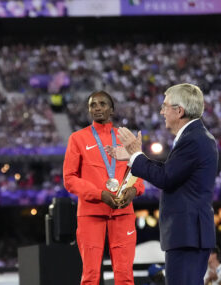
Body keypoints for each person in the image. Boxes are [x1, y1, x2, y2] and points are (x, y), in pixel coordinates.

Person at [107, 83, 218, 285]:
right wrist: (133, 157)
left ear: (179, 110)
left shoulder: (193, 139)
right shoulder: (195, 136)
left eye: (165, 106)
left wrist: (136, 153)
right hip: (189, 233)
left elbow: (165, 178)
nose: (161, 111)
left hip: (187, 234)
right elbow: (171, 173)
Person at [63, 91, 145, 284]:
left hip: (123, 211)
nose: (97, 108)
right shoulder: (78, 138)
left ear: (112, 110)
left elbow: (139, 171)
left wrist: (134, 190)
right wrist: (99, 194)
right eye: (93, 105)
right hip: (91, 212)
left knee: (124, 275)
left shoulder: (126, 138)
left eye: (102, 104)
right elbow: (69, 179)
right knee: (90, 275)